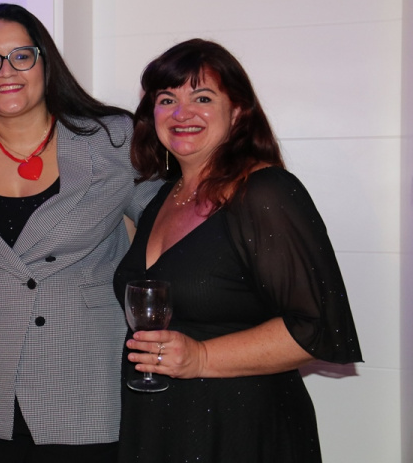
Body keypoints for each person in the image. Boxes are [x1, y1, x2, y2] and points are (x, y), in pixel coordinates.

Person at [114, 38, 363, 462]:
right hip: (159, 421)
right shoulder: (160, 198)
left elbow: (318, 330)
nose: (181, 113)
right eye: (167, 99)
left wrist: (200, 357)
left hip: (241, 427)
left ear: (238, 112)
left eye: (202, 98)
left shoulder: (265, 192)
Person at [0, 3, 159, 462]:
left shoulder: (113, 140)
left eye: (21, 56)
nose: (6, 71)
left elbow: (176, 226)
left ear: (45, 63)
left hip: (84, 383)